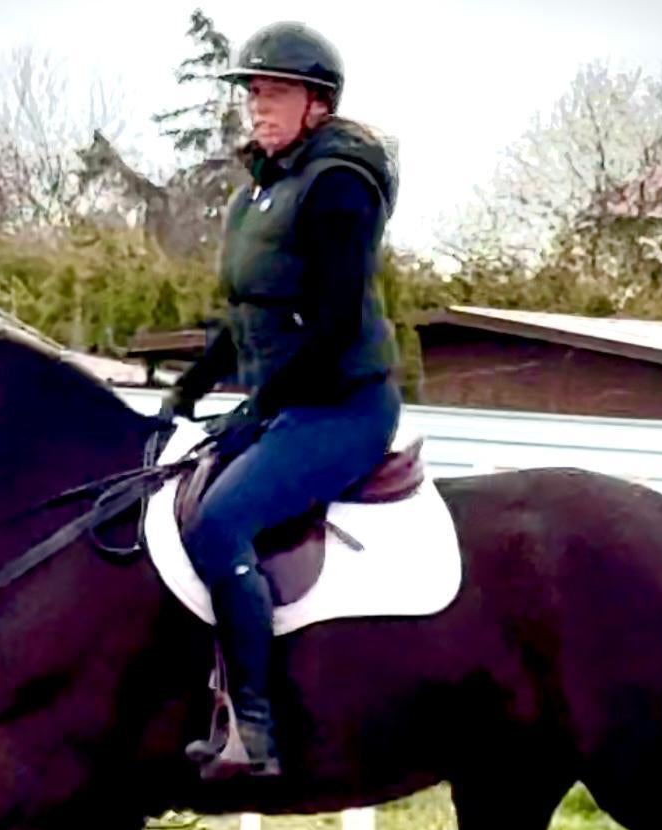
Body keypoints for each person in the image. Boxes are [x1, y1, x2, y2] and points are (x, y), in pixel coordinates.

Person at [164, 20, 402, 782]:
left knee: (220, 522)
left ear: (318, 105)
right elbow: (247, 318)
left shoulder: (339, 187)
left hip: (343, 408)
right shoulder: (257, 194)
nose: (257, 108)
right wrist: (187, 392)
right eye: (252, 94)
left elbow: (331, 327)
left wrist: (258, 406)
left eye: (274, 94)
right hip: (283, 404)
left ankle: (255, 728)